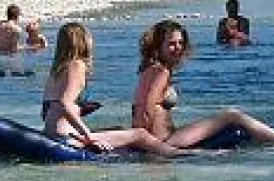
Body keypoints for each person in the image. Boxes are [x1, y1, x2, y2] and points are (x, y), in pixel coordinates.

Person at [131, 19, 274, 147]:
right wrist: (151, 145)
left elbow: (138, 110)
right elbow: (147, 109)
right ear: (159, 46)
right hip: (166, 140)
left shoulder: (148, 70)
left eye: (181, 43)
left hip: (164, 136)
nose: (177, 48)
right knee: (232, 115)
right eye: (172, 43)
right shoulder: (161, 72)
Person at [41, 22, 195, 157]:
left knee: (118, 129)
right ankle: (179, 155)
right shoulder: (77, 65)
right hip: (67, 137)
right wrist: (89, 136)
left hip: (53, 132)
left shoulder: (56, 71)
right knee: (140, 134)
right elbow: (64, 103)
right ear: (83, 41)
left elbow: (49, 109)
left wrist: (80, 110)